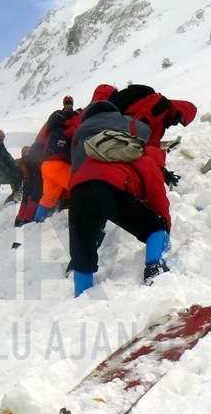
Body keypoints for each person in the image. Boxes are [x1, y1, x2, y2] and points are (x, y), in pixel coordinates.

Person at [68, 101, 176, 297]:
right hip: (109, 188)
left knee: (83, 248)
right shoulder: (144, 160)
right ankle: (155, 271)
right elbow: (157, 199)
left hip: (77, 188)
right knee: (155, 226)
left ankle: (81, 295)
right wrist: (163, 228)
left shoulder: (96, 155)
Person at [34, 96, 80, 222]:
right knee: (79, 187)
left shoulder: (53, 128)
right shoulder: (68, 126)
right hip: (58, 164)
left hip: (46, 165)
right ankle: (81, 220)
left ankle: (37, 224)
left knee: (48, 198)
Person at [108, 85, 197, 148]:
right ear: (179, 110)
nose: (176, 122)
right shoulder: (160, 104)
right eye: (180, 119)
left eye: (181, 123)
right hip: (118, 135)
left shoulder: (163, 118)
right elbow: (139, 124)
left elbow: (151, 137)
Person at [15, 146, 43, 226]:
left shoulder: (20, 163)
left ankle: (20, 220)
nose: (26, 156)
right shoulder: (25, 163)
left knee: (26, 200)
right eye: (25, 154)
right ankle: (26, 219)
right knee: (31, 198)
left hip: (28, 183)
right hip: (31, 183)